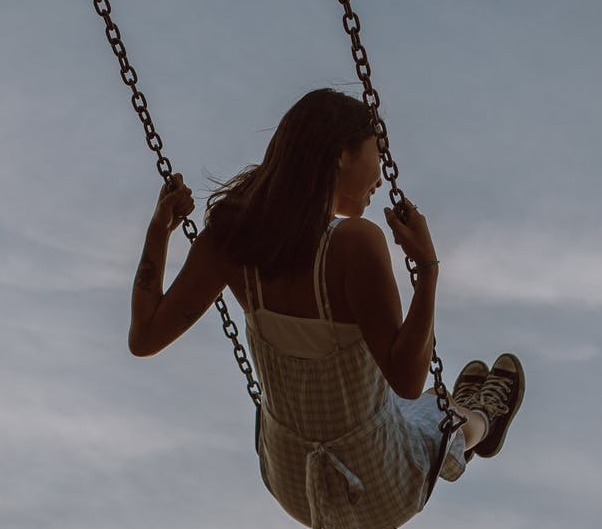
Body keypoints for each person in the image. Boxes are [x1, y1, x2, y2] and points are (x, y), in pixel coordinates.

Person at [128, 88, 524, 529]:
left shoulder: (231, 240)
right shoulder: (356, 242)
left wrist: (159, 229)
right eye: (378, 151)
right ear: (342, 153)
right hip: (376, 486)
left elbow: (143, 338)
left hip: (292, 480)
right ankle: (484, 417)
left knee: (390, 400)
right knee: (437, 412)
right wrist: (427, 268)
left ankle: (461, 400)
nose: (380, 173)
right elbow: (409, 379)